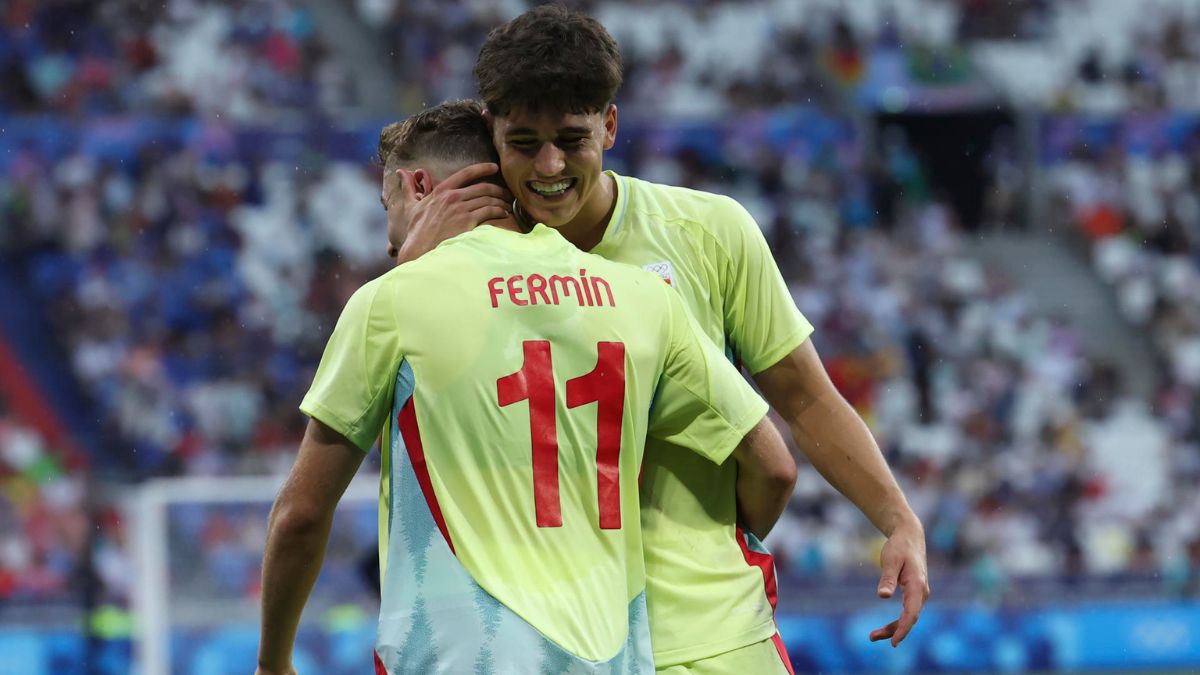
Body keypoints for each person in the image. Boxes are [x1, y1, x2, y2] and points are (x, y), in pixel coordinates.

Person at [395, 7, 930, 673]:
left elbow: (806, 400)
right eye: (525, 143)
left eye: (573, 138)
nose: (550, 166)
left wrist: (897, 517)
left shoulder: (709, 231)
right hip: (556, 640)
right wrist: (411, 270)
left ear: (610, 126)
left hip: (706, 628)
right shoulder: (463, 262)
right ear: (492, 135)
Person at [255, 100, 797, 675]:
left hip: (461, 653)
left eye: (386, 204)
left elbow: (303, 514)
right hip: (609, 651)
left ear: (414, 185)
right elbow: (774, 467)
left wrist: (274, 661)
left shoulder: (393, 301)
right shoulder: (641, 297)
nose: (390, 237)